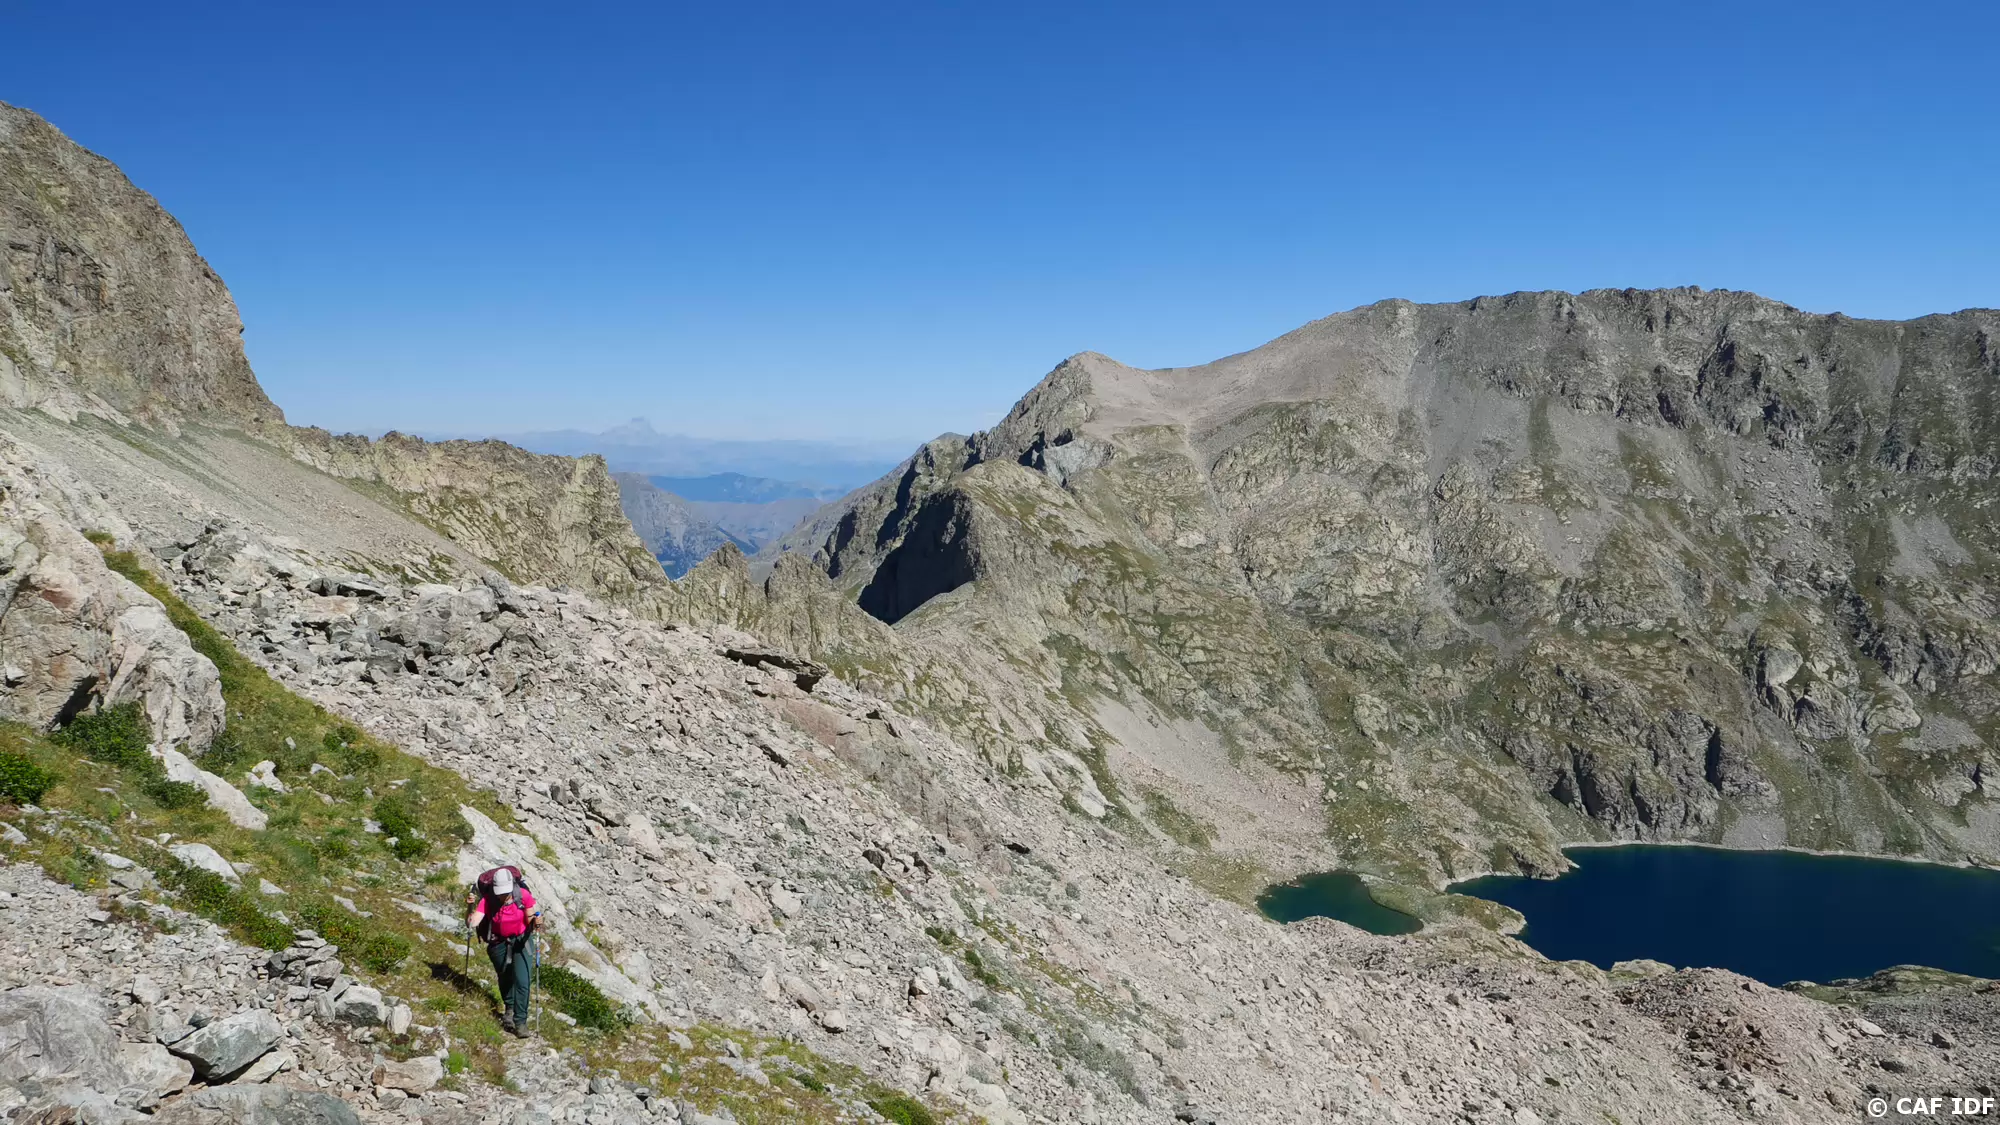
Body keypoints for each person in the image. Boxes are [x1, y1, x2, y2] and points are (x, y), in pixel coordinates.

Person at [465, 866, 541, 1036]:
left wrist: (536, 921)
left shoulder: (523, 895)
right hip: (498, 941)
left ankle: (520, 1023)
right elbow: (472, 923)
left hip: (521, 940)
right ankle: (510, 1008)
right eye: (500, 892)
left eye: (505, 892)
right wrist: (470, 908)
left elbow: (530, 917)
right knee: (505, 975)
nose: (502, 895)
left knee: (522, 981)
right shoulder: (488, 900)